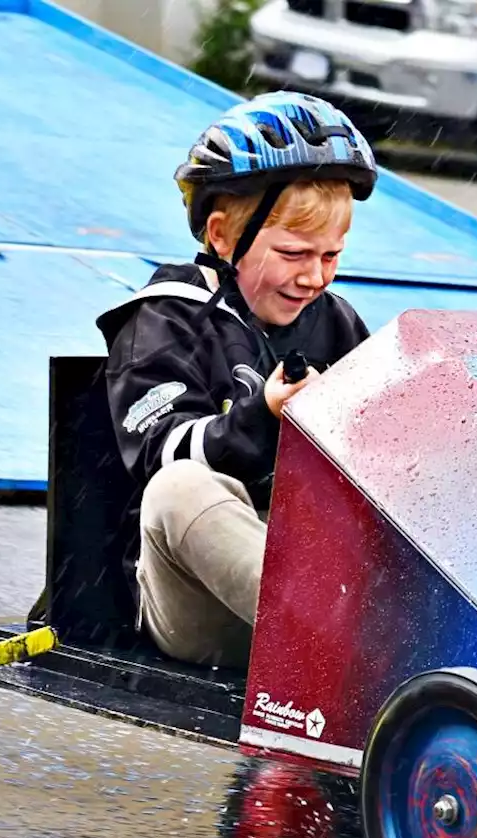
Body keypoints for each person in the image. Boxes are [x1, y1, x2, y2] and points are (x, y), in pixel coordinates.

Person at [95, 92, 377, 668]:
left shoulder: (336, 322)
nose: (315, 277)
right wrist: (264, 417)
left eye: (331, 256)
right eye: (295, 253)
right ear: (223, 237)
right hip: (197, 602)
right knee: (178, 489)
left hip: (315, 567)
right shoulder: (164, 319)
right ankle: (360, 649)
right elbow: (158, 453)